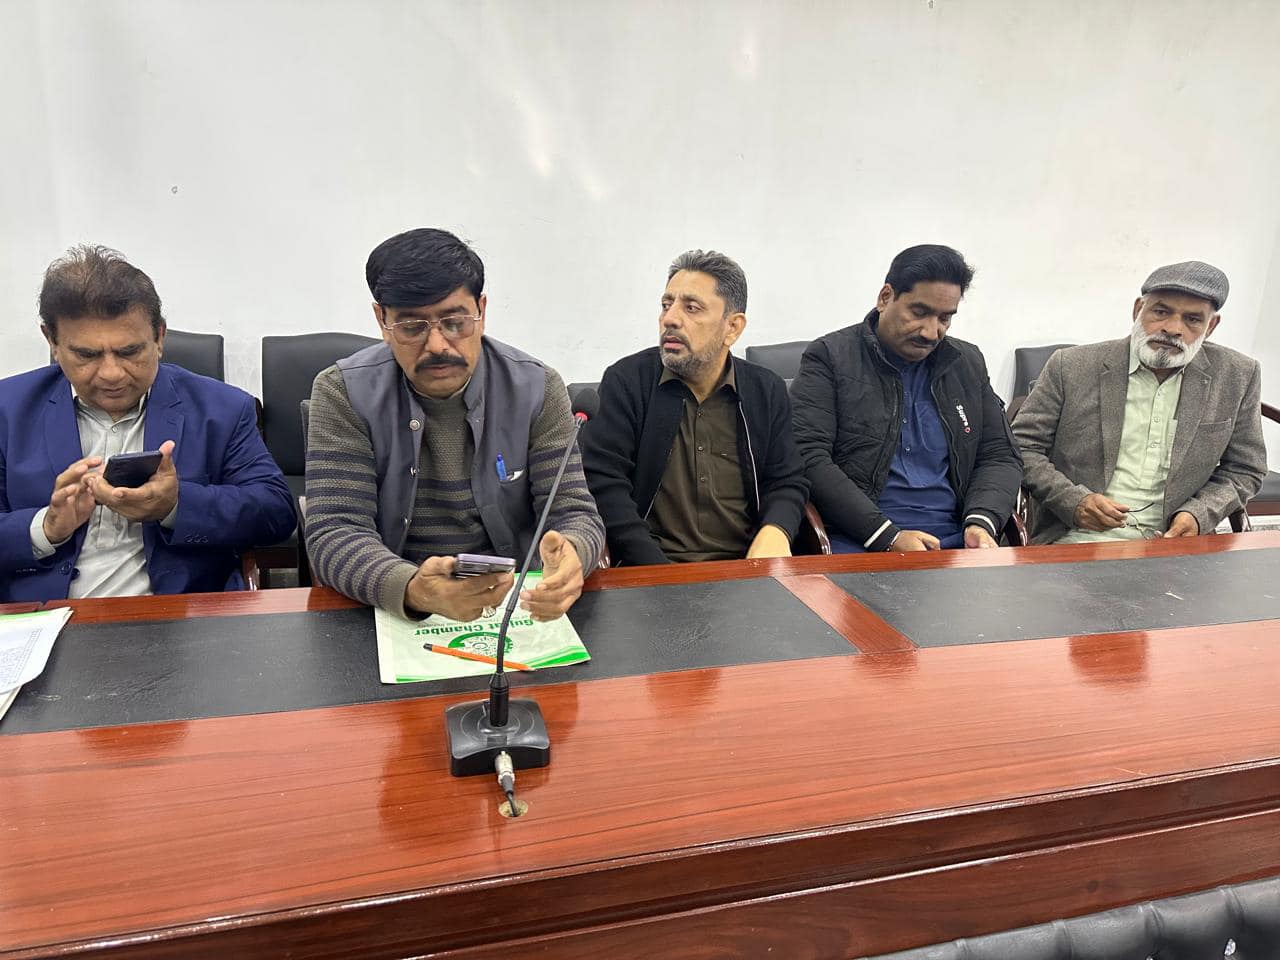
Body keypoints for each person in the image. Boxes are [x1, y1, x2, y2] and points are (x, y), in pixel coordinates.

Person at [305, 227, 605, 621]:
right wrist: (414, 589)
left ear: (481, 311)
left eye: (454, 322)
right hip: (392, 608)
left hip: (516, 607)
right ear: (381, 320)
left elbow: (575, 513)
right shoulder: (342, 392)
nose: (437, 345)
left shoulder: (536, 387)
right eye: (412, 327)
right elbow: (335, 531)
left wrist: (573, 554)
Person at [0, 245, 295, 602]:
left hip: (179, 614)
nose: (111, 373)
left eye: (129, 352)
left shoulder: (223, 409)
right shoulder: (8, 409)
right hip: (44, 615)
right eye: (87, 355)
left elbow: (275, 512)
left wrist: (174, 505)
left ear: (159, 338)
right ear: (52, 341)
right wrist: (46, 528)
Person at [1012, 261, 1266, 544]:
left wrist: (1198, 514)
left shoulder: (1237, 375)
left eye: (1192, 319)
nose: (1173, 328)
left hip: (1175, 546)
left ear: (1211, 326)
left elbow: (1246, 468)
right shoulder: (1071, 366)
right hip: (1076, 538)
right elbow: (1021, 447)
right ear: (1138, 309)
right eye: (1161, 312)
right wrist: (1073, 501)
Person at [580, 249, 807, 565]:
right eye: (666, 304)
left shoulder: (765, 390)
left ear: (732, 327)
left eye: (691, 308)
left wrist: (775, 530)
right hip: (652, 567)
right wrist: (658, 572)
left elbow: (787, 480)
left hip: (745, 570)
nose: (670, 319)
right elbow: (604, 484)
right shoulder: (627, 381)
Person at [790, 244, 1022, 552]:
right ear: (886, 297)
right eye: (919, 313)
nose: (931, 332)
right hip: (860, 540)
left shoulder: (966, 363)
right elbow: (807, 455)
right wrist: (888, 537)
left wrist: (981, 522)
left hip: (956, 542)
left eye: (945, 318)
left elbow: (999, 454)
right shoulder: (831, 357)